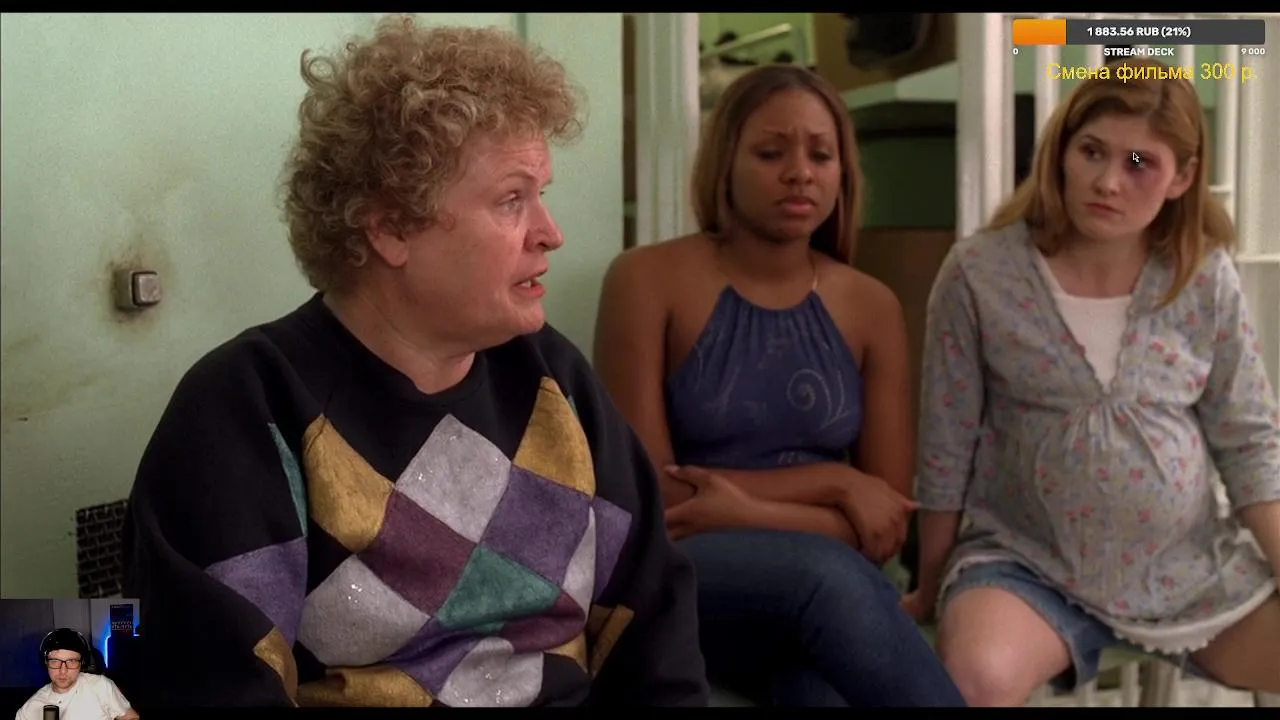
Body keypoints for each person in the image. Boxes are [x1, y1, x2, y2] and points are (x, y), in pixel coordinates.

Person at [121, 16, 707, 709]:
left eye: (541, 196)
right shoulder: (247, 406)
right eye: (511, 200)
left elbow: (652, 625)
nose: (550, 233)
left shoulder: (551, 376)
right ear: (390, 227)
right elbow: (218, 686)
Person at [908, 57, 1280, 706]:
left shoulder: (1203, 276)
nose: (1108, 181)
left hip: (1186, 570)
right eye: (1092, 152)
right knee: (976, 676)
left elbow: (1249, 443)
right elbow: (946, 444)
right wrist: (931, 582)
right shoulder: (980, 273)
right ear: (1062, 151)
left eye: (1140, 163)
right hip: (1028, 564)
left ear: (1182, 176)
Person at [594, 64, 966, 707]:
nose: (800, 173)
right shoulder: (645, 280)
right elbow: (652, 492)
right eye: (771, 153)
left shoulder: (871, 305)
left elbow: (885, 519)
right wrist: (836, 482)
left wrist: (749, 513)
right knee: (826, 577)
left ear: (843, 172)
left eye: (821, 155)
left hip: (814, 600)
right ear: (725, 163)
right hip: (680, 576)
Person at [15, 629, 139, 720]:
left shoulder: (100, 686)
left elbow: (131, 717)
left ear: (82, 664)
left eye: (71, 661)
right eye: (55, 661)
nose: (63, 670)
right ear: (46, 663)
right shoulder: (29, 710)